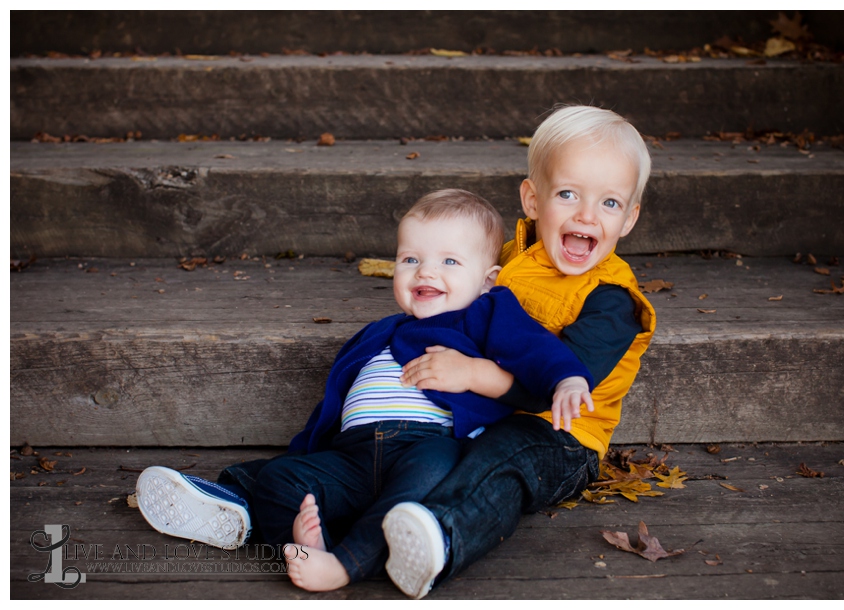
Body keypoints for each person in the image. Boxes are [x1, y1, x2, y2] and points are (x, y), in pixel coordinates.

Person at [135, 188, 595, 592]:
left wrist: (567, 379)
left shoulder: (485, 314)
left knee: (423, 494)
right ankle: (288, 534)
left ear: (488, 279)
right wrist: (304, 456)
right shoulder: (377, 332)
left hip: (426, 446)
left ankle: (343, 565)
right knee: (281, 480)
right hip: (352, 457)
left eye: (449, 261)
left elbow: (532, 348)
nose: (425, 272)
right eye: (410, 259)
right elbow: (330, 408)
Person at [381, 105, 657, 599]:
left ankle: (441, 537)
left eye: (610, 203)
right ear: (533, 199)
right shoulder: (510, 256)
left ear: (630, 218)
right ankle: (367, 513)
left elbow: (547, 388)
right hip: (485, 408)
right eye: (568, 194)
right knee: (422, 443)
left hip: (560, 436)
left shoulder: (611, 300)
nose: (587, 215)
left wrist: (470, 372)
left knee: (504, 461)